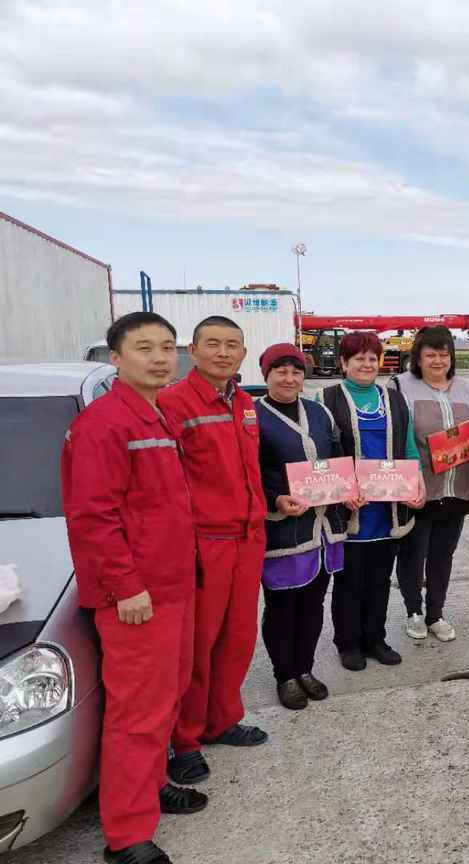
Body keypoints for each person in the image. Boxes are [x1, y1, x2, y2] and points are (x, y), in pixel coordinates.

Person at [61, 311, 206, 864]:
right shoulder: (104, 424)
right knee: (137, 713)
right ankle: (126, 836)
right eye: (144, 348)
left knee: (165, 697)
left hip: (172, 586)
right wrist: (125, 587)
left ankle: (150, 786)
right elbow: (92, 516)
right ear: (116, 358)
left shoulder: (154, 413)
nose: (160, 358)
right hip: (137, 598)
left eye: (167, 347)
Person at [158, 316, 269, 788]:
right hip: (206, 543)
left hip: (248, 537)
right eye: (213, 344)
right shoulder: (173, 403)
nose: (223, 353)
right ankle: (184, 740)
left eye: (232, 345)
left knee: (238, 637)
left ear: (243, 353)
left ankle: (222, 719)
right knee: (197, 646)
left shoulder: (243, 402)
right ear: (194, 351)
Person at [255, 343, 356, 710]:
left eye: (296, 371)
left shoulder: (318, 412)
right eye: (280, 371)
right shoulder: (254, 417)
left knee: (314, 603)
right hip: (284, 528)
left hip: (323, 527)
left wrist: (349, 489)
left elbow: (338, 458)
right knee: (282, 606)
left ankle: (305, 668)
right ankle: (285, 675)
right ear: (266, 375)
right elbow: (247, 473)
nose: (289, 378)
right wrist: (274, 499)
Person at [319, 331, 425, 672]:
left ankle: (375, 639)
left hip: (387, 508)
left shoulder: (393, 398)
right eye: (358, 358)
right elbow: (320, 454)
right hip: (350, 508)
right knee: (349, 582)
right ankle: (348, 643)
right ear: (343, 363)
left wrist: (417, 482)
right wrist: (341, 490)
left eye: (371, 358)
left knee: (380, 579)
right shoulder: (326, 398)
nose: (366, 364)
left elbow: (409, 446)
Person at [391, 326, 469, 642]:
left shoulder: (466, 388)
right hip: (420, 489)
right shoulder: (400, 385)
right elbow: (396, 434)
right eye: (430, 354)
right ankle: (413, 612)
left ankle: (436, 614)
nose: (438, 360)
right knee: (413, 555)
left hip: (456, 488)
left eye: (444, 354)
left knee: (443, 556)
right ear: (417, 357)